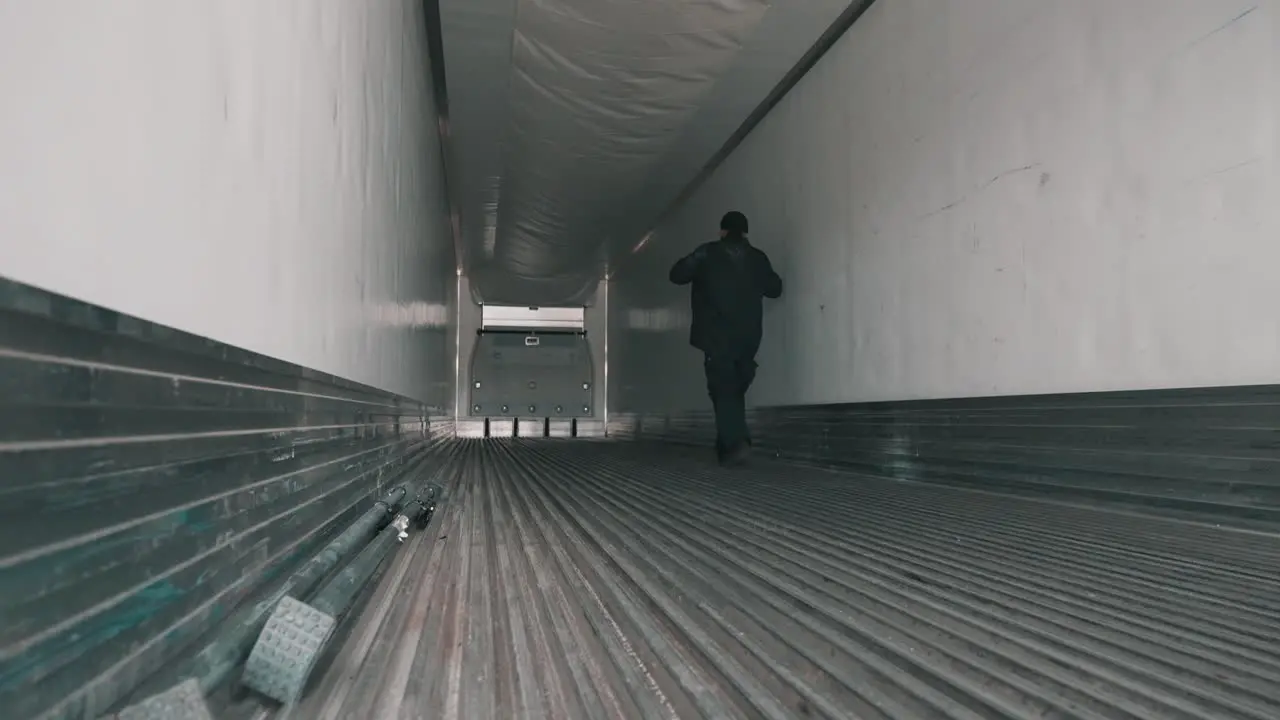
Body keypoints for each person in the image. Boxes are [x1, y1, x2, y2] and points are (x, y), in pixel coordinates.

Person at [669, 211, 782, 466]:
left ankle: (735, 443)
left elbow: (676, 275)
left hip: (716, 334)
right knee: (733, 387)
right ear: (745, 232)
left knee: (723, 388)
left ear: (722, 231)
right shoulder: (757, 258)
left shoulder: (707, 253)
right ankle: (727, 444)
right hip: (749, 335)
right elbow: (775, 288)